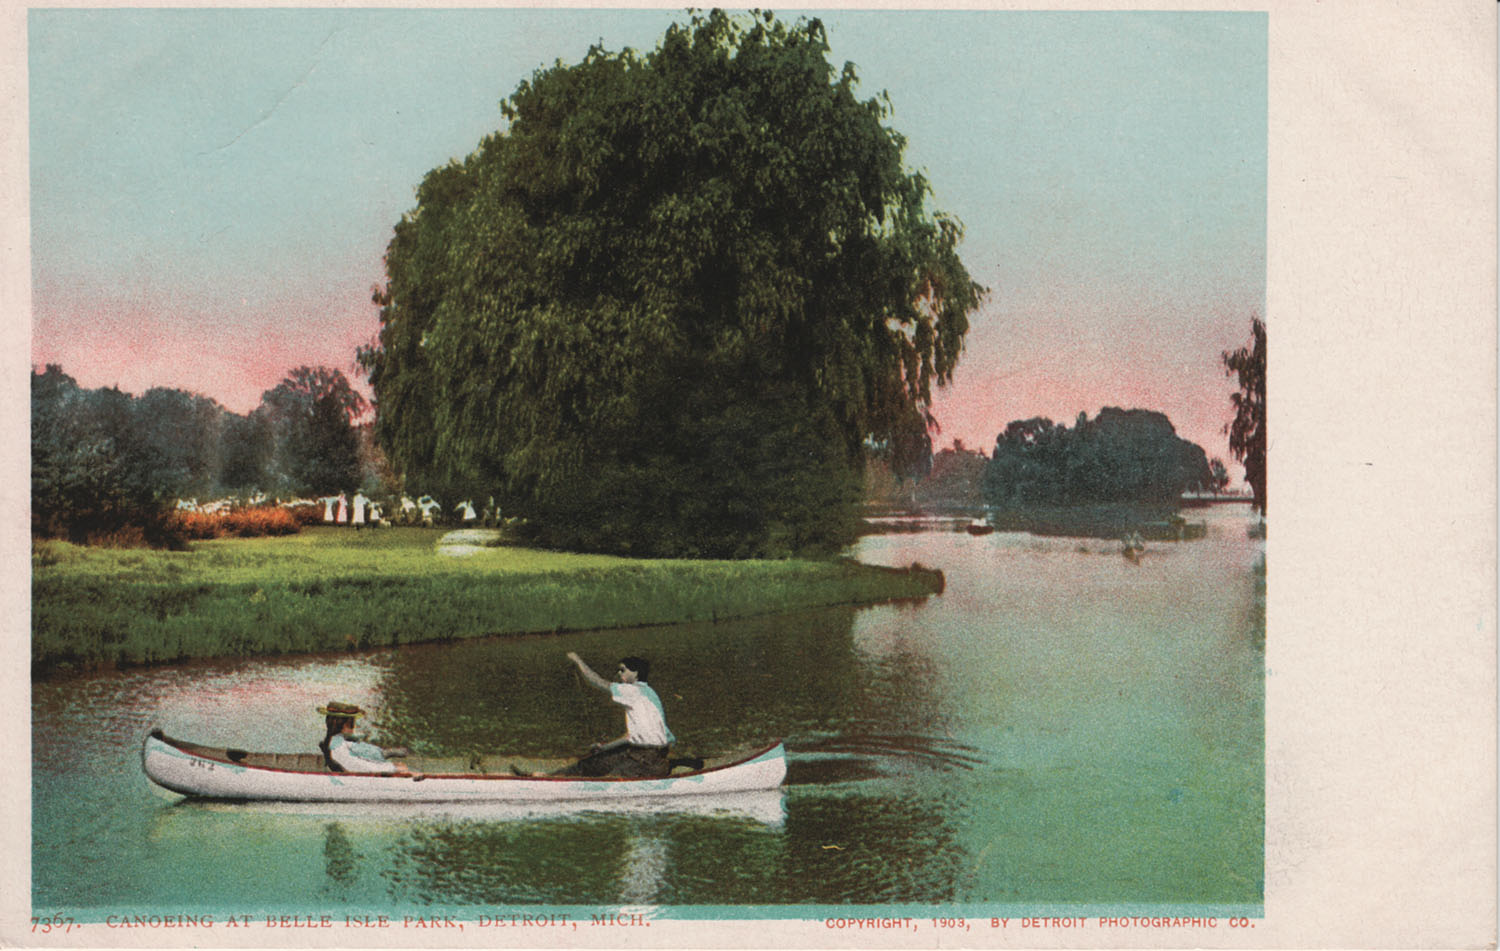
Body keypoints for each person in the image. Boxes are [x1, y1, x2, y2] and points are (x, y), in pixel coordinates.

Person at [553, 653, 676, 777]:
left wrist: (578, 661)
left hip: (645, 760)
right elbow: (631, 736)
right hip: (642, 753)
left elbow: (597, 682)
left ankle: (552, 779)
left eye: (623, 670)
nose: (619, 673)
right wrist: (604, 748)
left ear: (636, 673)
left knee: (609, 777)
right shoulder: (651, 693)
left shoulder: (631, 691)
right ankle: (553, 777)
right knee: (591, 763)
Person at [317, 701, 420, 777]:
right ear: (341, 724)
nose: (353, 726)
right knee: (406, 769)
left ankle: (386, 754)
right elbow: (357, 766)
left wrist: (389, 765)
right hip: (355, 777)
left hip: (364, 767)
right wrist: (392, 768)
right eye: (351, 723)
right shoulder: (337, 746)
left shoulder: (338, 741)